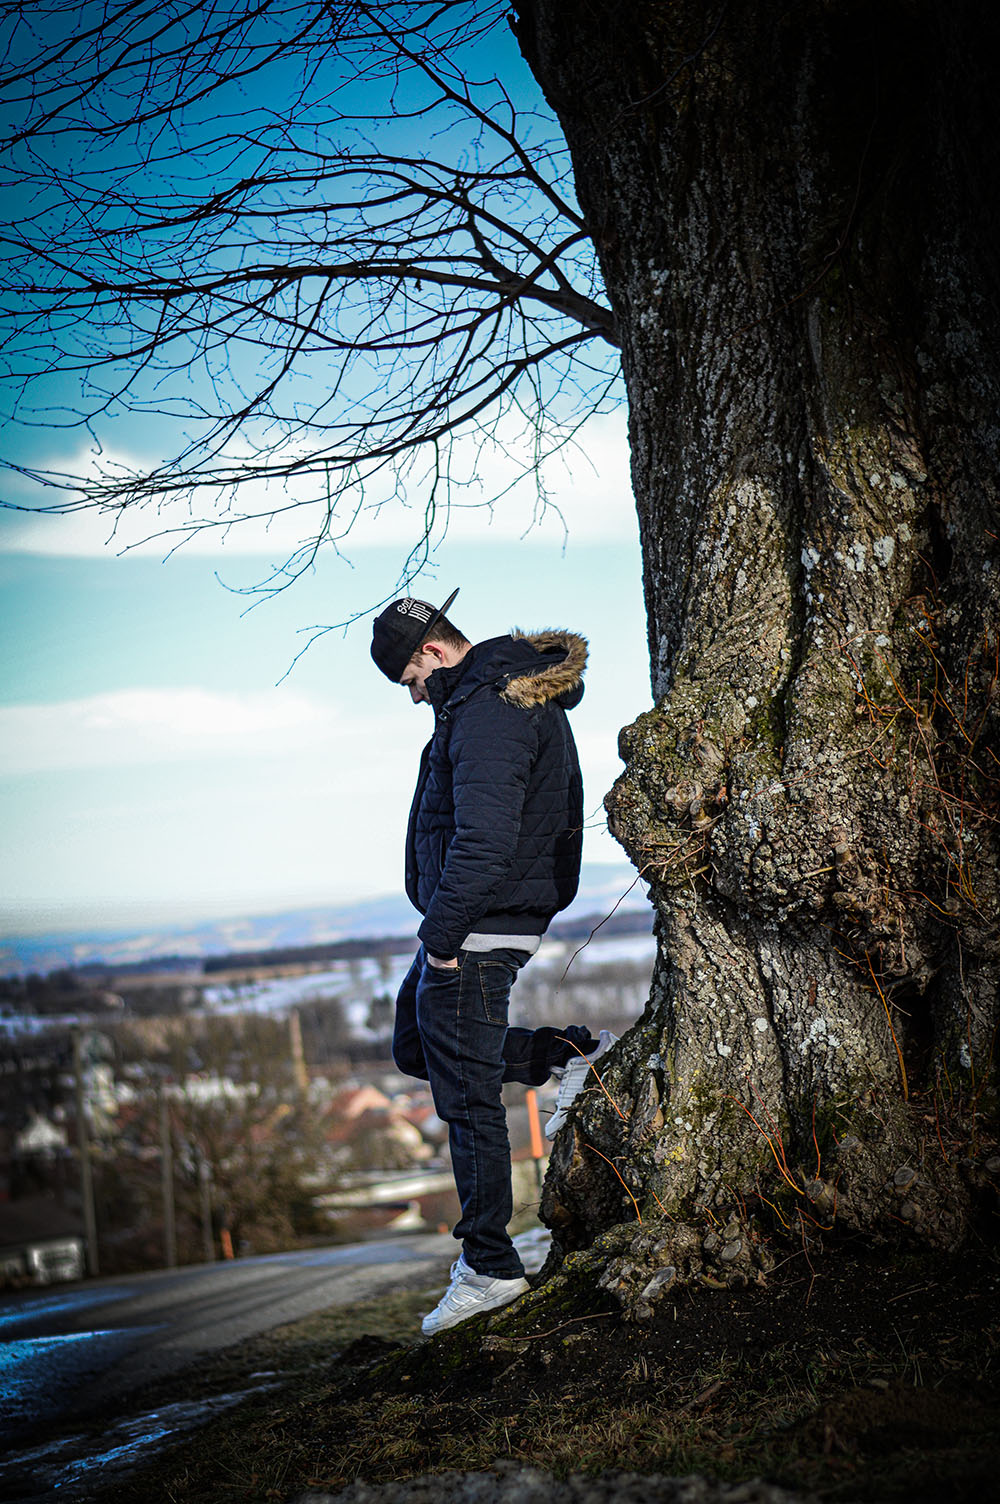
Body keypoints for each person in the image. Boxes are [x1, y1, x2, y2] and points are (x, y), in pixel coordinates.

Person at [370, 588, 617, 1335]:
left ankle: (488, 1267)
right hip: (466, 922)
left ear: (433, 651)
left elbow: (485, 839)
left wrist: (443, 938)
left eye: (412, 680)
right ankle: (570, 1054)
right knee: (417, 1047)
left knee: (468, 1099)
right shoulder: (489, 696)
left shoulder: (488, 708)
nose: (416, 696)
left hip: (474, 927)